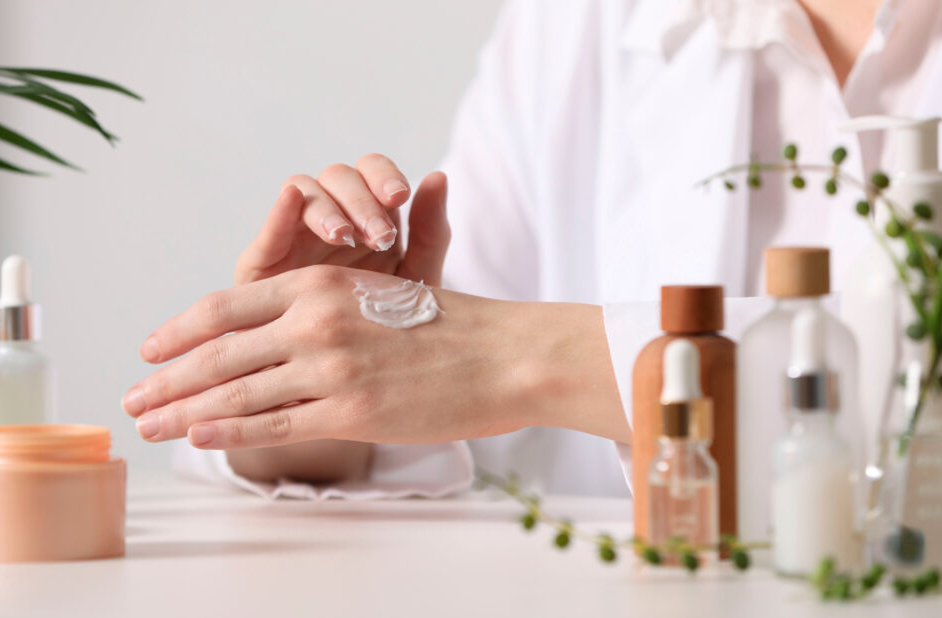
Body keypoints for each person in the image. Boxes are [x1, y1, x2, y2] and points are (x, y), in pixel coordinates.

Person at [123, 0, 935, 498]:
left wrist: (522, 359)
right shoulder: (581, 17)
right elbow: (451, 383)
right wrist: (318, 369)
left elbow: (484, 355)